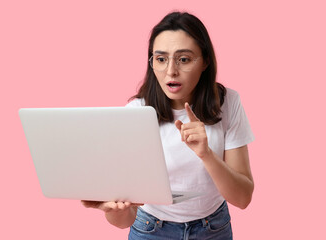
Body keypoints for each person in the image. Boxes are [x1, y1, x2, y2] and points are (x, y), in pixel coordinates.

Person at [82, 11, 254, 240]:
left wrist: (207, 155)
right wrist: (114, 211)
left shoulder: (228, 102)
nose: (171, 71)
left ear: (205, 61)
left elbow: (242, 198)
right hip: (151, 229)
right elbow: (124, 222)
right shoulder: (136, 113)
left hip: (213, 228)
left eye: (183, 59)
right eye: (161, 59)